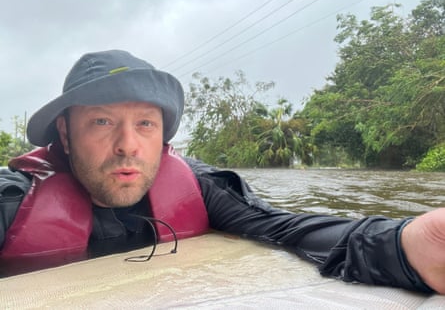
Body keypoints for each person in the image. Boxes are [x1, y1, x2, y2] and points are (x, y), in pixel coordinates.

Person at [0, 50, 444, 294]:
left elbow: (285, 229)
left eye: (145, 124)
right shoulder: (12, 202)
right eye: (101, 122)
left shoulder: (200, 186)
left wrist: (404, 244)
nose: (127, 145)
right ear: (64, 131)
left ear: (162, 136)